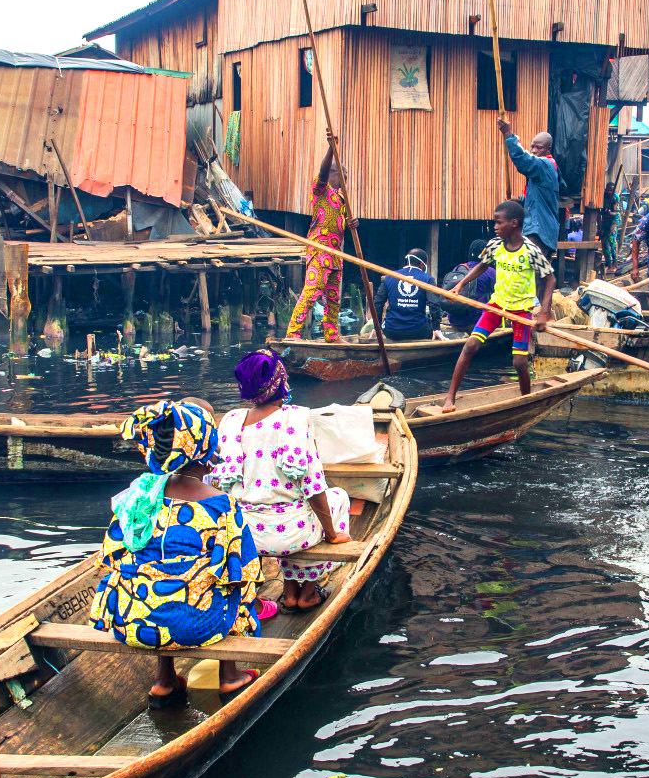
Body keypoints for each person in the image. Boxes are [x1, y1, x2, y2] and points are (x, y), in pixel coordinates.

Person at [91, 400, 262, 708]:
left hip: (130, 621)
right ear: (204, 447)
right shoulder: (221, 505)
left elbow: (112, 557)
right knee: (239, 582)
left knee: (150, 576)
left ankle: (165, 681)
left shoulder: (139, 497)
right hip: (197, 626)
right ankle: (230, 676)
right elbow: (246, 572)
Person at [211, 350, 351, 611]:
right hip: (291, 533)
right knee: (337, 497)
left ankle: (289, 592)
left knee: (290, 512)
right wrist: (331, 535)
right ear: (280, 380)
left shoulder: (230, 420)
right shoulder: (295, 418)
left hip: (247, 534)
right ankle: (307, 593)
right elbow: (313, 486)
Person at [441, 199, 554, 412]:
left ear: (514, 223)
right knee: (470, 346)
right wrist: (460, 285)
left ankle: (525, 401)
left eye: (498, 222)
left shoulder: (531, 250)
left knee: (519, 363)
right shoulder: (494, 245)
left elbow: (550, 279)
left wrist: (543, 313)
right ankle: (449, 398)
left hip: (522, 308)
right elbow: (482, 266)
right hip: (497, 305)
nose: (494, 226)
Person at [284, 139, 349, 342]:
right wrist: (331, 148)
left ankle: (332, 335)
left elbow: (342, 224)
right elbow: (323, 172)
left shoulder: (342, 199)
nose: (346, 181)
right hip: (320, 250)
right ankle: (293, 333)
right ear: (334, 175)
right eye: (343, 176)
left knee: (333, 299)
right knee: (311, 292)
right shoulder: (321, 190)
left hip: (337, 255)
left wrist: (352, 222)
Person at [497, 115, 560, 258]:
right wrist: (518, 201)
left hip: (538, 230)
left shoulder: (545, 165)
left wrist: (508, 134)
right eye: (532, 146)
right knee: (536, 275)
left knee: (532, 273)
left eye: (538, 148)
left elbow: (523, 160)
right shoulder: (542, 171)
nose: (533, 150)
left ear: (547, 149)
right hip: (541, 229)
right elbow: (536, 200)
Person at [377, 249, 438, 340]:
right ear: (422, 264)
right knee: (428, 325)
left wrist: (376, 327)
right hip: (418, 331)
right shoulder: (428, 279)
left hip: (391, 331)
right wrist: (437, 328)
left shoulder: (389, 277)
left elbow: (378, 303)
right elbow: (434, 304)